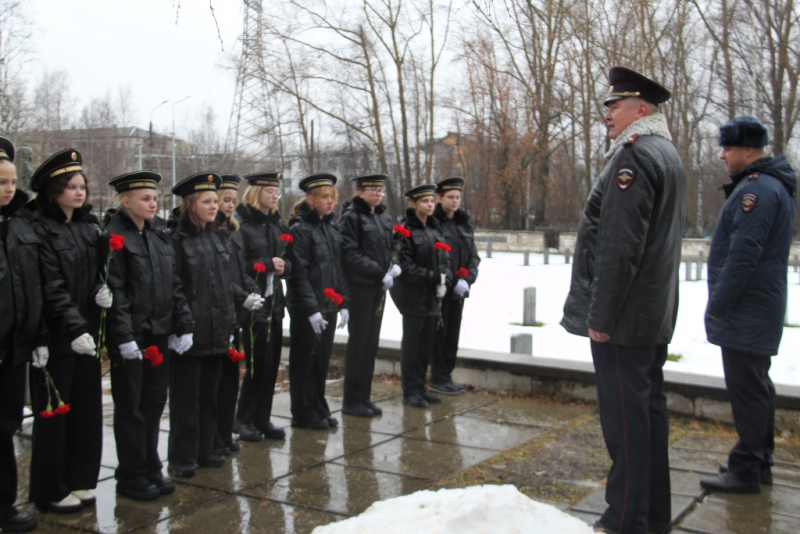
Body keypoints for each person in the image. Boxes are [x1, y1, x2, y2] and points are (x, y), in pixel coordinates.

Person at [560, 67, 685, 534]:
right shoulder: (665, 153)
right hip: (649, 315)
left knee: (627, 427)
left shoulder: (633, 159)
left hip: (625, 319)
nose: (607, 114)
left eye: (615, 105)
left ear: (642, 110)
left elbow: (618, 246)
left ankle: (625, 519)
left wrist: (601, 316)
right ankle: (651, 516)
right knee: (648, 419)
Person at [699, 116, 797, 494]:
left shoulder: (757, 191)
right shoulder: (769, 185)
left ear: (748, 150)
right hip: (757, 305)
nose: (722, 155)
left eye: (727, 148)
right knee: (757, 387)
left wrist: (719, 304)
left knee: (748, 391)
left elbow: (744, 254)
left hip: (747, 307)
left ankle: (745, 470)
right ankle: (758, 463)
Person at [102, 171, 195, 501]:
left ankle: (151, 465)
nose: (153, 203)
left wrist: (182, 324)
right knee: (132, 407)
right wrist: (123, 336)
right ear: (126, 201)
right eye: (145, 198)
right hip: (132, 338)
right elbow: (116, 292)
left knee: (154, 403)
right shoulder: (114, 236)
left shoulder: (158, 235)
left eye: (155, 197)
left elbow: (173, 284)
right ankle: (131, 473)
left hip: (158, 333)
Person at [28, 148, 109, 513]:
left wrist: (102, 293)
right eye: (71, 187)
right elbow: (51, 286)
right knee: (55, 416)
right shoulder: (39, 228)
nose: (79, 193)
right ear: (53, 190)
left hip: (86, 334)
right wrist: (74, 326)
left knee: (86, 411)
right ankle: (50, 487)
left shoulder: (85, 227)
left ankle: (80, 477)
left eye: (82, 186)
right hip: (58, 336)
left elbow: (92, 275)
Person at [167, 172, 264, 478]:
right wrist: (183, 325)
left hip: (217, 330)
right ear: (191, 204)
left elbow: (224, 284)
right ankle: (182, 456)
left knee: (209, 395)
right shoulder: (177, 240)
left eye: (214, 201)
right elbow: (175, 287)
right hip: (191, 332)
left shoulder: (217, 237)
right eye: (207, 202)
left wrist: (240, 303)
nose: (214, 207)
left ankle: (206, 447)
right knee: (186, 400)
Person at [0, 137, 42, 532]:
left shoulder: (20, 224)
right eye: (0, 182)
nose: (9, 189)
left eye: (12, 181)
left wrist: (35, 334)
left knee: (6, 426)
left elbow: (31, 284)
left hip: (12, 347)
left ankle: (5, 506)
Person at [286, 173, 349, 430]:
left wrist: (343, 302)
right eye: (325, 197)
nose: (330, 202)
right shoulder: (300, 229)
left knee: (321, 359)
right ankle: (302, 412)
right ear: (311, 199)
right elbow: (299, 273)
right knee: (305, 359)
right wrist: (311, 309)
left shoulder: (332, 227)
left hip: (329, 304)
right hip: (308, 308)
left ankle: (318, 406)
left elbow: (338, 268)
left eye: (332, 197)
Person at [233, 171, 292, 441]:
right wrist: (268, 264)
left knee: (272, 364)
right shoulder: (243, 227)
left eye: (276, 191)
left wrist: (283, 267)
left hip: (274, 302)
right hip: (254, 303)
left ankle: (262, 418)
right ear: (256, 193)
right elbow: (238, 267)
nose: (274, 196)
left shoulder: (279, 227)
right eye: (269, 191)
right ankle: (244, 418)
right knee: (258, 363)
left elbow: (291, 263)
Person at [338, 173, 399, 417]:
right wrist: (377, 272)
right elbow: (349, 253)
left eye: (380, 189)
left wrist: (393, 265)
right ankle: (351, 400)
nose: (377, 193)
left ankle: (364, 396)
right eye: (372, 189)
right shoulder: (351, 217)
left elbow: (391, 247)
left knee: (371, 344)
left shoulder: (383, 217)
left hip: (378, 288)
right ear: (360, 192)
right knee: (359, 344)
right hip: (361, 287)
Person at [390, 184, 450, 409]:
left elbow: (446, 257)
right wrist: (434, 277)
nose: (430, 205)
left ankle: (420, 387)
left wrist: (446, 277)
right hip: (413, 296)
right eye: (425, 201)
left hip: (432, 296)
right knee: (412, 345)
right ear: (414, 204)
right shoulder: (404, 231)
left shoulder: (434, 229)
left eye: (432, 201)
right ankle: (410, 390)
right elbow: (404, 265)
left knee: (425, 346)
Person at [429, 177, 480, 395]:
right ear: (440, 198)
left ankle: (447, 375)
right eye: (451, 197)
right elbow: (432, 255)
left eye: (458, 197)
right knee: (438, 335)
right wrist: (445, 280)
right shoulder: (433, 222)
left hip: (459, 290)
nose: (455, 201)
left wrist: (466, 280)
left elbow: (473, 257)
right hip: (440, 290)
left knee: (452, 334)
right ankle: (437, 377)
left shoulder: (464, 223)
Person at [213, 174, 244, 455]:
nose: (229, 205)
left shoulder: (233, 231)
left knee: (230, 381)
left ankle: (224, 432)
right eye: (225, 200)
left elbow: (237, 271)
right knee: (217, 383)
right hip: (221, 312)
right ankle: (216, 435)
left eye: (233, 200)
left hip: (233, 313)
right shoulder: (213, 232)